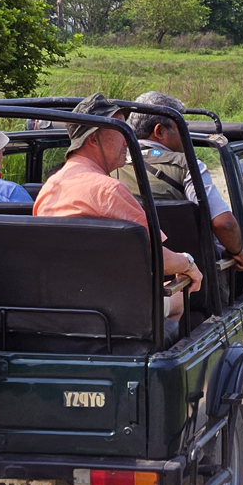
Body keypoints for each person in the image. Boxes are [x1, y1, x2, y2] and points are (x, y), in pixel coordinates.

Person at [33, 93, 202, 322]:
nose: (127, 141)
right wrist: (188, 263)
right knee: (179, 296)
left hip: (62, 305)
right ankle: (158, 351)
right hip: (114, 310)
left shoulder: (50, 188)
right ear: (93, 140)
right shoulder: (109, 189)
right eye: (121, 132)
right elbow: (156, 258)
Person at [117, 92, 243, 271]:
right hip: (188, 278)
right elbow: (224, 224)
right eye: (180, 125)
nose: (186, 129)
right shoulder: (189, 167)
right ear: (159, 132)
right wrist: (237, 251)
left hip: (130, 272)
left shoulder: (111, 165)